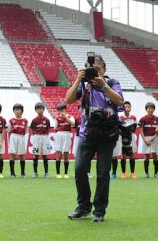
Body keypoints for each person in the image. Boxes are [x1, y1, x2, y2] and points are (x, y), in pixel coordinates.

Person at [66, 53, 123, 222]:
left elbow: (119, 101)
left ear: (104, 69)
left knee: (103, 173)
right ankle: (84, 207)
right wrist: (78, 79)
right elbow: (68, 100)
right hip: (87, 133)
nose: (94, 72)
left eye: (97, 69)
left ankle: (99, 211)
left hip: (108, 134)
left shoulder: (112, 83)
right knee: (79, 169)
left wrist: (104, 85)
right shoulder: (84, 85)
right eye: (91, 69)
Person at [138, 102, 158, 178]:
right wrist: (144, 139)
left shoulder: (157, 118)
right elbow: (140, 129)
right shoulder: (143, 118)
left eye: (152, 108)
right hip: (146, 138)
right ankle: (146, 173)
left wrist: (154, 137)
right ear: (146, 109)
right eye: (149, 108)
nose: (150, 110)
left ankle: (156, 173)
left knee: (155, 155)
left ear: (154, 109)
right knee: (146, 156)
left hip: (154, 138)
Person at [30, 102, 51, 179]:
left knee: (45, 155)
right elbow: (32, 129)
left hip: (45, 137)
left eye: (41, 108)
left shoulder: (47, 120)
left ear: (43, 109)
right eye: (38, 109)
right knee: (36, 155)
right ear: (36, 110)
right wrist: (36, 135)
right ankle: (35, 172)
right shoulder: (34, 120)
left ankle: (46, 173)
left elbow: (48, 129)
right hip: (37, 137)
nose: (39, 110)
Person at [54, 102, 74, 179]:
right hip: (59, 135)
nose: (60, 112)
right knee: (58, 153)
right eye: (59, 110)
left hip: (67, 134)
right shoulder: (57, 118)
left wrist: (65, 117)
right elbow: (55, 128)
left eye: (62, 110)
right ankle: (58, 173)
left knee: (66, 154)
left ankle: (66, 173)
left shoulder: (70, 116)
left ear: (65, 109)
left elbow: (73, 124)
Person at [8, 103, 28, 178]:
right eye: (16, 110)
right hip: (13, 137)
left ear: (22, 111)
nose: (17, 111)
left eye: (19, 110)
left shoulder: (25, 120)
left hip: (22, 137)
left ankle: (23, 173)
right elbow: (9, 131)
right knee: (12, 154)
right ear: (14, 111)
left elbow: (26, 132)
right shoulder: (11, 120)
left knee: (22, 155)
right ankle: (12, 173)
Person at [118, 101, 137, 179]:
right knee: (123, 155)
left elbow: (135, 127)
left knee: (132, 155)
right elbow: (119, 128)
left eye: (128, 107)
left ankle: (132, 173)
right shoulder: (120, 117)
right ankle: (123, 173)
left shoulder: (133, 117)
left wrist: (131, 128)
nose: (127, 108)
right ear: (123, 108)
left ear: (130, 107)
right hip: (122, 137)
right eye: (126, 107)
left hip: (131, 136)